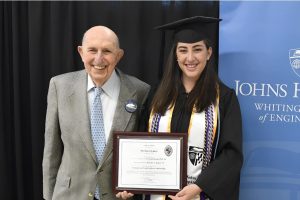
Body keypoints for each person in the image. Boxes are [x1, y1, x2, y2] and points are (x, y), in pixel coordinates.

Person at [117, 16, 243, 200]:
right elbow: (141, 142)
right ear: (176, 55)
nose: (190, 58)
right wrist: (130, 181)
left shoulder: (224, 98)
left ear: (208, 53)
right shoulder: (157, 95)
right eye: (183, 50)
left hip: (200, 194)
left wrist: (199, 186)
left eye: (197, 50)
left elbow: (231, 154)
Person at [42, 26, 150, 200]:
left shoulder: (139, 91)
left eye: (107, 51)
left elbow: (143, 148)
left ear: (119, 55)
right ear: (81, 52)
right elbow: (51, 151)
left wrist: (135, 184)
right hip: (69, 194)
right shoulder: (59, 86)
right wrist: (47, 196)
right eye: (92, 50)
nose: (98, 59)